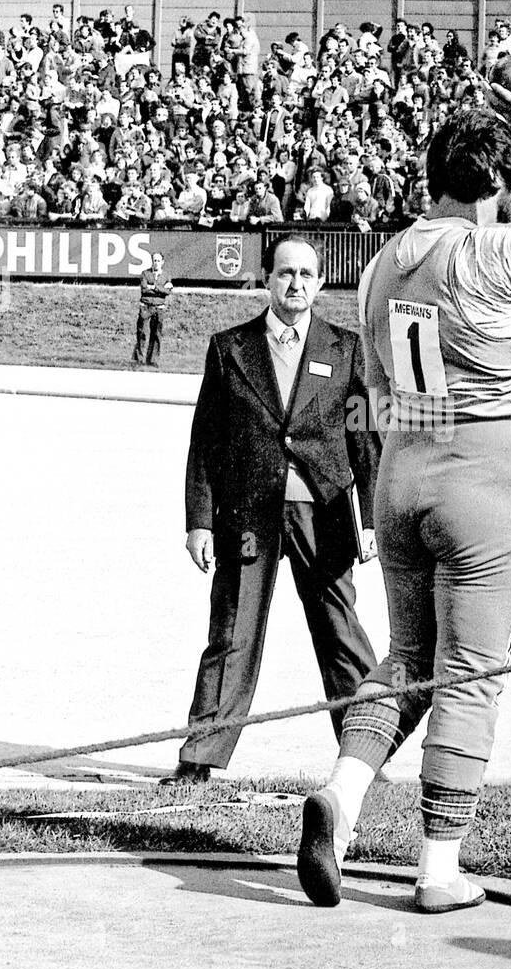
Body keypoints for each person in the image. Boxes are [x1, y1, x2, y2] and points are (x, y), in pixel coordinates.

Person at [296, 89, 511, 914]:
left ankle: (341, 795)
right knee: (472, 674)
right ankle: (438, 869)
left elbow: (371, 386)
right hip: (488, 468)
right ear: (496, 188)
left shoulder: (381, 262)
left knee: (406, 660)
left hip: (404, 464)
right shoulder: (490, 250)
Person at [161, 234, 382, 784]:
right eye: (286, 273)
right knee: (231, 633)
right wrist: (199, 521)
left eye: (307, 274)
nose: (296, 284)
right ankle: (199, 759)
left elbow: (366, 441)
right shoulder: (228, 348)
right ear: (266, 279)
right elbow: (206, 440)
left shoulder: (346, 349)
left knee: (341, 634)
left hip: (323, 513)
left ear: (321, 283)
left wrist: (373, 518)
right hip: (248, 515)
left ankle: (366, 761)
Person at [132, 251, 173, 368]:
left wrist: (154, 287)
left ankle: (153, 360)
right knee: (142, 333)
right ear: (152, 261)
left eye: (158, 261)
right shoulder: (145, 274)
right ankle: (139, 359)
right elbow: (144, 290)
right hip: (146, 307)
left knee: (156, 334)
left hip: (159, 308)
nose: (156, 263)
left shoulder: (166, 276)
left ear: (162, 262)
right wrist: (160, 289)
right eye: (154, 260)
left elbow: (168, 291)